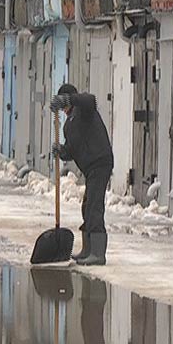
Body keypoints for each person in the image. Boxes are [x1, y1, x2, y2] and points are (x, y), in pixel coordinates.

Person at [50, 84, 114, 265]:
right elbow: (73, 149)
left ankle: (98, 254)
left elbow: (89, 99)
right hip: (90, 168)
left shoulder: (85, 111)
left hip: (100, 162)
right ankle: (88, 249)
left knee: (94, 206)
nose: (63, 109)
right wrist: (60, 151)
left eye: (65, 103)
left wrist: (70, 99)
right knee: (87, 207)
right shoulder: (68, 125)